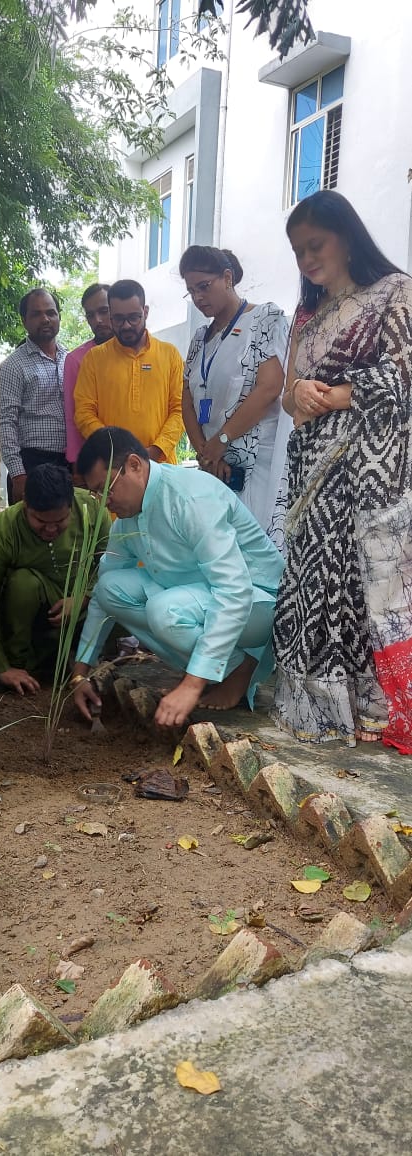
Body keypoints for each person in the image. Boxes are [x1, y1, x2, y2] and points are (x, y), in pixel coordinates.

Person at [272, 190, 412, 751]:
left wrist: (334, 396)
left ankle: (375, 712)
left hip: (369, 474)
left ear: (347, 238)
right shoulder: (307, 316)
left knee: (361, 586)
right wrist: (299, 394)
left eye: (316, 245)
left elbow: (404, 376)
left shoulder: (394, 293)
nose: (306, 259)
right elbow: (287, 396)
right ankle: (322, 711)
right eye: (297, 251)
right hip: (312, 474)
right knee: (314, 586)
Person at [69, 427, 285, 729]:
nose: (104, 501)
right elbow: (102, 595)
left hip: (261, 605)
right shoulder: (128, 518)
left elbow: (234, 590)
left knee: (165, 611)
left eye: (107, 489)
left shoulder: (190, 498)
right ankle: (222, 667)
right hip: (198, 596)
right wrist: (80, 673)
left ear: (134, 465)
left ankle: (242, 666)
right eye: (96, 493)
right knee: (108, 588)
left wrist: (191, 686)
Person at [180, 245, 291, 549]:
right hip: (214, 465)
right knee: (220, 552)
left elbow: (269, 388)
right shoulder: (199, 339)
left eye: (204, 286)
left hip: (256, 463)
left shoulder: (265, 319)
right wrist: (205, 453)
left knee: (258, 550)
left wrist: (222, 441)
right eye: (191, 291)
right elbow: (186, 399)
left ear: (227, 278)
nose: (198, 297)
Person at [0, 464, 111, 695]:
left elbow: (112, 564)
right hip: (41, 617)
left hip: (90, 608)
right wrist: (1, 668)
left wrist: (84, 597)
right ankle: (23, 664)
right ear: (25, 504)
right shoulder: (5, 528)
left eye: (60, 521)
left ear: (71, 504)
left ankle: (103, 660)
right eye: (40, 521)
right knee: (22, 582)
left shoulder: (92, 508)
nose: (51, 530)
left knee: (124, 593)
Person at [74, 279, 184, 465]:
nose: (126, 326)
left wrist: (157, 449)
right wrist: (116, 451)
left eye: (133, 317)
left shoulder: (169, 354)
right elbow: (84, 413)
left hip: (162, 465)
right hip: (113, 467)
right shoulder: (94, 358)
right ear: (111, 316)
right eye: (118, 319)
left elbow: (180, 410)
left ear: (145, 312)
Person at [0, 288, 68, 504]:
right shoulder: (13, 366)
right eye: (36, 314)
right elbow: (5, 422)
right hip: (31, 464)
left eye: (51, 312)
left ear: (59, 316)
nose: (45, 319)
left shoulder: (70, 359)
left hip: (68, 465)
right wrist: (18, 475)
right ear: (24, 321)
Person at [62, 282, 113, 470]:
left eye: (104, 311)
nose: (98, 320)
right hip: (96, 462)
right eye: (91, 315)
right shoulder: (76, 359)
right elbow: (73, 416)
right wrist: (77, 463)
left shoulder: (139, 352)